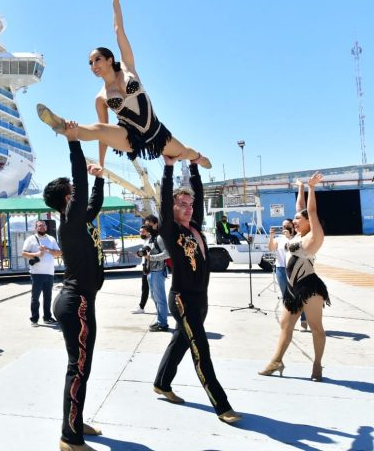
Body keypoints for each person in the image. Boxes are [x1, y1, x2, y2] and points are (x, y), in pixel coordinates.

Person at [37, 0, 211, 173]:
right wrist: (101, 165)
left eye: (97, 60)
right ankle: (62, 125)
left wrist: (116, 3)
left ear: (110, 59)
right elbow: (103, 134)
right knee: (99, 130)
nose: (94, 65)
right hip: (129, 136)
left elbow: (119, 30)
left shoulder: (128, 67)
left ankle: (200, 158)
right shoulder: (101, 97)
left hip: (156, 132)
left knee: (185, 152)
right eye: (90, 63)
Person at [153, 156, 240, 424]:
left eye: (190, 205)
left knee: (179, 342)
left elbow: (199, 197)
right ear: (172, 208)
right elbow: (166, 199)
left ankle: (162, 383)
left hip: (201, 299)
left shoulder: (195, 229)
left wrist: (194, 168)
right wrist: (168, 169)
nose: (189, 209)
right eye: (182, 205)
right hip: (182, 299)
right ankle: (221, 405)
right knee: (200, 349)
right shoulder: (170, 229)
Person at [43, 122, 105, 451]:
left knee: (82, 368)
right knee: (78, 369)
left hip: (77, 300)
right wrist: (74, 143)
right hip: (76, 303)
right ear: (68, 197)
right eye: (72, 190)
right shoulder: (68, 218)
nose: (75, 192)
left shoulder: (75, 219)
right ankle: (70, 437)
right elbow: (79, 184)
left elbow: (93, 203)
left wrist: (99, 176)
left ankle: (75, 421)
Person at [260, 173, 330, 382]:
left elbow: (310, 210)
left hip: (310, 288)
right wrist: (300, 188)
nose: (294, 221)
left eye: (298, 219)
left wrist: (311, 187)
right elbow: (301, 208)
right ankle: (276, 361)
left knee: (316, 328)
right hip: (293, 289)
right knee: (285, 325)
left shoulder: (314, 236)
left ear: (309, 221)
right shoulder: (298, 234)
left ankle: (317, 365)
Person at [269, 217, 308, 330]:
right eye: (283, 227)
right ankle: (290, 322)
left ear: (293, 228)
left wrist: (289, 238)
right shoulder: (279, 239)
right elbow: (271, 248)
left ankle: (303, 319)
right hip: (281, 269)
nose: (284, 229)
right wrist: (271, 237)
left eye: (287, 227)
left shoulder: (298, 238)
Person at [21, 220, 61, 326]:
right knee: (35, 297)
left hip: (49, 272)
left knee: (48, 297)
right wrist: (36, 254)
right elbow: (23, 253)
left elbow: (58, 253)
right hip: (36, 273)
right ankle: (34, 319)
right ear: (36, 228)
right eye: (39, 226)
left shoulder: (51, 239)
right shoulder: (31, 239)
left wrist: (47, 249)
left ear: (46, 228)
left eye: (43, 225)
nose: (42, 227)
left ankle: (47, 317)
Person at [140, 223, 170, 332]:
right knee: (154, 297)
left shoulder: (159, 238)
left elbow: (167, 254)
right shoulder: (151, 239)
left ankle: (163, 324)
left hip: (157, 272)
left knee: (160, 298)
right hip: (150, 272)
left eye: (148, 226)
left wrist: (150, 257)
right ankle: (160, 320)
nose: (145, 229)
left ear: (155, 225)